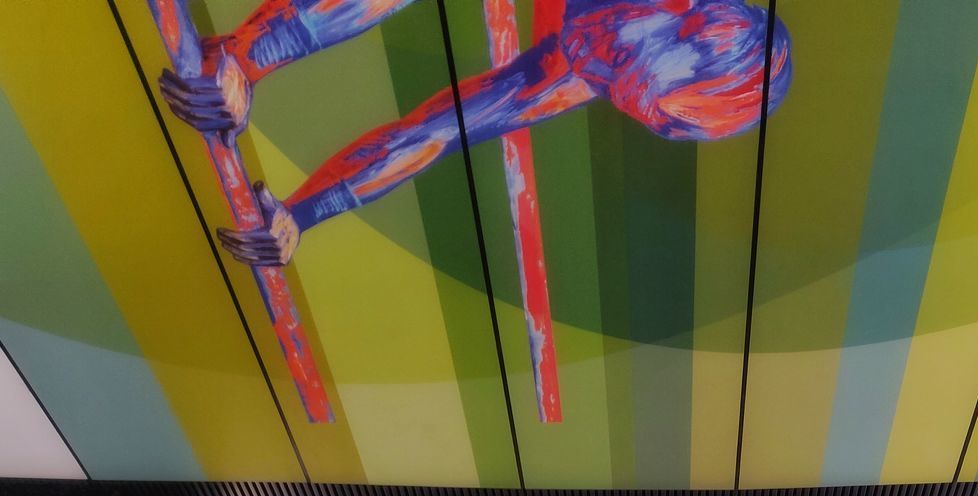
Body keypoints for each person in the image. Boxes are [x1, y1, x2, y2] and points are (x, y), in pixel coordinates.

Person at [158, 0, 793, 266]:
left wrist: (302, 214)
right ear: (682, 16)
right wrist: (244, 56)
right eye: (623, 62)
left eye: (616, 90)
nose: (597, 70)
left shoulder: (595, 65)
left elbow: (432, 135)